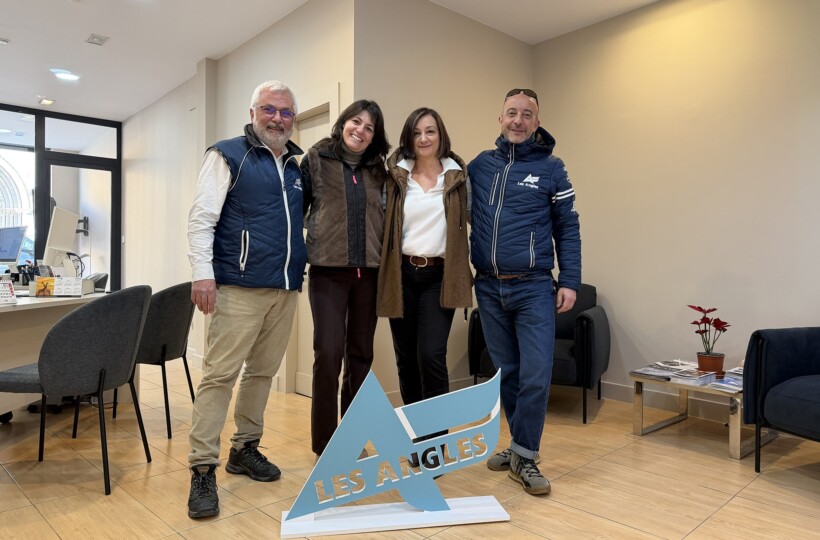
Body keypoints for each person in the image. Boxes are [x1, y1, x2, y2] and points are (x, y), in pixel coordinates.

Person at [185, 80, 306, 518]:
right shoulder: (227, 155)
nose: (277, 118)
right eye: (269, 109)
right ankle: (203, 468)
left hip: (284, 287)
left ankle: (244, 448)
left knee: (262, 373)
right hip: (237, 286)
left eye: (286, 112)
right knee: (219, 376)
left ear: (294, 119)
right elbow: (202, 218)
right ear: (253, 112)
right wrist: (203, 274)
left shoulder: (296, 166)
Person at [469, 88, 581, 496]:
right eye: (511, 113)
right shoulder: (480, 166)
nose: (518, 120)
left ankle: (525, 455)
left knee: (535, 374)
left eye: (526, 114)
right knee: (508, 374)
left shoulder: (551, 168)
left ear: (537, 122)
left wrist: (569, 280)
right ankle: (521, 448)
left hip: (533, 288)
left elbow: (568, 227)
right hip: (488, 286)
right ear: (500, 119)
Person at [301, 100, 390, 457]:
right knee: (328, 353)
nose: (361, 131)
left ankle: (351, 438)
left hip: (368, 273)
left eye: (369, 127)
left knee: (361, 356)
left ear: (374, 136)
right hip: (328, 272)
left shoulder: (379, 170)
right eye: (356, 122)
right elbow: (296, 212)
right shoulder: (316, 160)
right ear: (343, 123)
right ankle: (325, 443)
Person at [377, 108, 472, 416]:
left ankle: (436, 435)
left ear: (440, 135)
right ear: (408, 138)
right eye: (416, 133)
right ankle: (415, 431)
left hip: (439, 277)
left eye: (430, 131)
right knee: (406, 358)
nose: (423, 138)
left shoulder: (457, 177)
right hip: (401, 275)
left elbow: (479, 221)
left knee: (431, 355)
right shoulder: (396, 177)